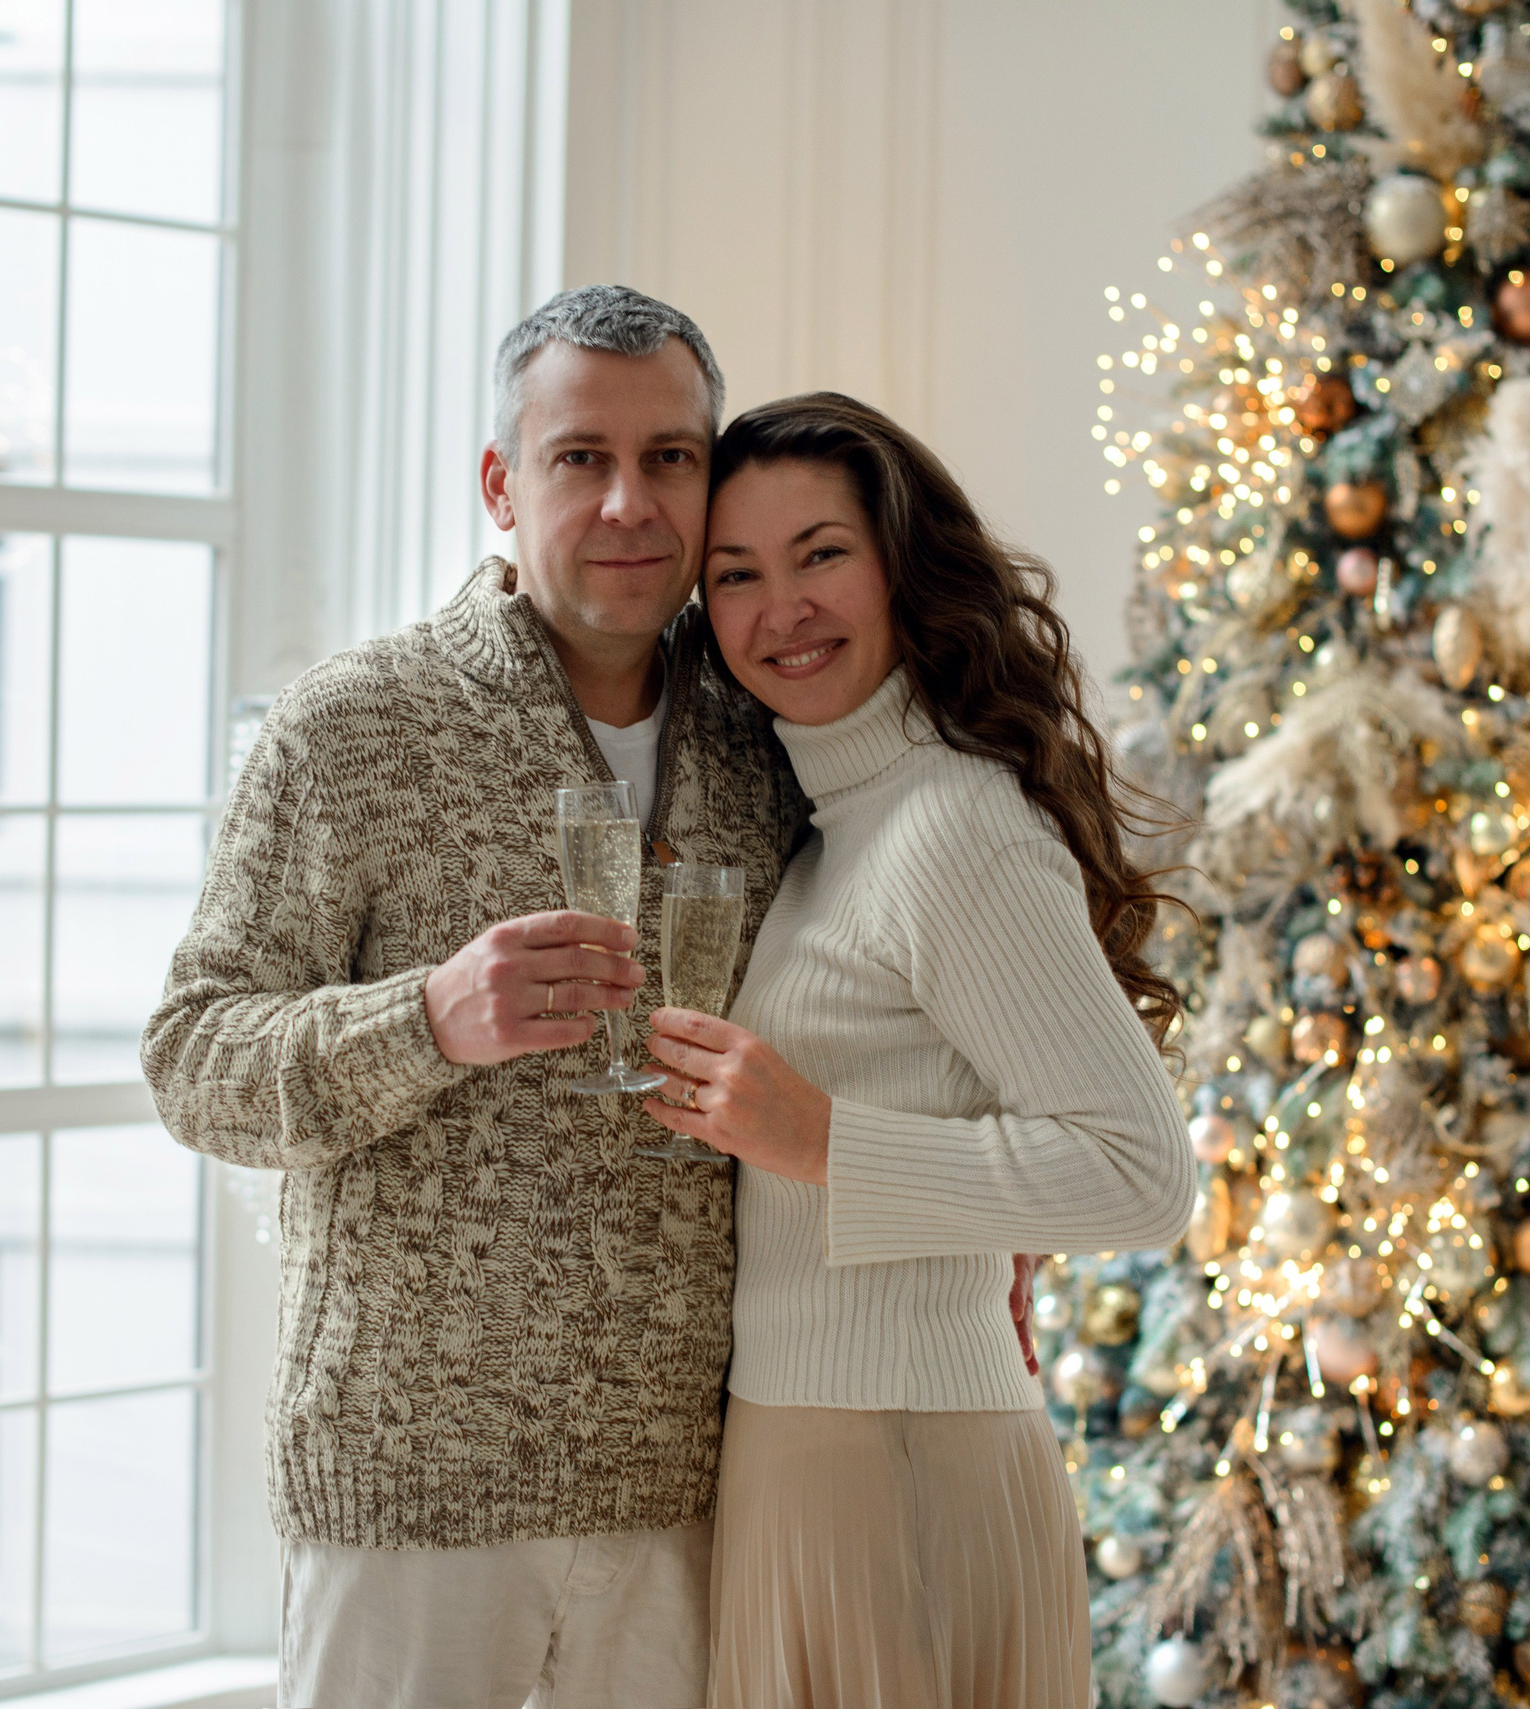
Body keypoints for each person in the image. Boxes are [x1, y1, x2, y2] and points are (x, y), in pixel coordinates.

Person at [142, 286, 803, 1709]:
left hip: (680, 1484)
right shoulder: (352, 722)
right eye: (581, 457)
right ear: (503, 484)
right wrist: (426, 1019)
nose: (630, 501)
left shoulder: (770, 739)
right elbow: (192, 1056)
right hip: (405, 1486)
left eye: (671, 457)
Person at [639, 392, 1195, 1709]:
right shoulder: (838, 821)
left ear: (901, 560)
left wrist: (821, 1139)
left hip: (896, 1464)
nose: (784, 609)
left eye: (821, 553)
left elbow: (1144, 1170)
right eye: (736, 574)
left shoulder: (956, 826)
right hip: (815, 1451)